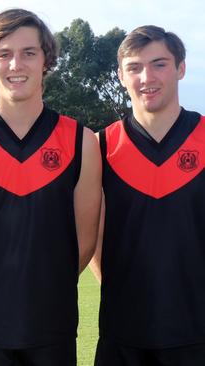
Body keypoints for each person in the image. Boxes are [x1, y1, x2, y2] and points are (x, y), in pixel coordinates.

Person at [0, 8, 102, 366]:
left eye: (28, 53)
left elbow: (84, 241)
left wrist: (41, 287)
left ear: (46, 61)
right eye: (3, 54)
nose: (15, 64)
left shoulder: (80, 142)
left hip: (50, 329)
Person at [90, 25, 205, 366]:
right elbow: (92, 237)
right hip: (123, 336)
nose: (147, 77)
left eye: (159, 64)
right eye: (134, 67)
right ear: (121, 76)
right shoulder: (101, 147)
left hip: (197, 335)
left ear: (181, 68)